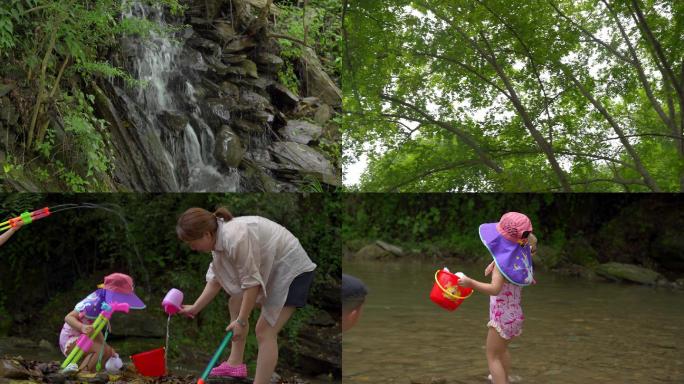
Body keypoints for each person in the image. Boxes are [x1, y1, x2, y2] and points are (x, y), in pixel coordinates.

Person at [176, 207, 316, 384]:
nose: (192, 247)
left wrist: (241, 321)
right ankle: (234, 364)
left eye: (192, 242)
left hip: (291, 269)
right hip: (271, 267)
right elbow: (215, 279)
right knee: (235, 302)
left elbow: (252, 284)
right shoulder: (218, 240)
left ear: (206, 234)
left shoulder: (234, 237)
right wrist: (195, 307)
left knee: (265, 331)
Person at [457, 212, 538, 384]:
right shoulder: (525, 252)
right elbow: (532, 240)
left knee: (492, 356)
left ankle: (499, 380)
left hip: (501, 318)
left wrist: (470, 282)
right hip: (515, 316)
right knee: (501, 351)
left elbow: (495, 289)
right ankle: (505, 378)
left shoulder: (501, 268)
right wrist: (495, 262)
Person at [59, 273, 146, 372]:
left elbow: (96, 330)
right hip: (70, 339)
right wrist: (81, 327)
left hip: (87, 337)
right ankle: (82, 373)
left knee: (107, 351)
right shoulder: (92, 304)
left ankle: (92, 371)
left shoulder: (104, 305)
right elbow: (68, 317)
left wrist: (106, 346)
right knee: (99, 349)